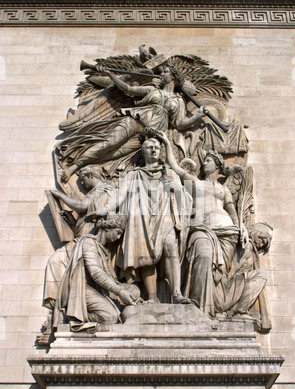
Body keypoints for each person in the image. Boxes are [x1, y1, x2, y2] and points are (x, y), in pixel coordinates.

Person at [90, 129, 192, 304]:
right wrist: (104, 209)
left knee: (171, 249)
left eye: (157, 148)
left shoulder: (168, 172)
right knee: (145, 255)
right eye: (149, 147)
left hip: (164, 215)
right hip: (141, 218)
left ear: (161, 151)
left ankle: (177, 293)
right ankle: (152, 297)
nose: (153, 150)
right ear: (143, 151)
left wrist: (174, 186)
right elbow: (120, 196)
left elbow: (184, 194)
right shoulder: (132, 174)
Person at [57, 65, 205, 182]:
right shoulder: (152, 89)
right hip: (135, 120)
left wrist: (197, 116)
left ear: (173, 76)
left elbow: (179, 124)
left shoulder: (178, 101)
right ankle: (74, 166)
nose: (161, 74)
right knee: (109, 143)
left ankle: (89, 167)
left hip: (150, 135)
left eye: (165, 72)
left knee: (117, 153)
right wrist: (111, 75)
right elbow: (128, 89)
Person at [155, 130, 245, 316]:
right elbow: (174, 166)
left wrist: (241, 227)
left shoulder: (224, 189)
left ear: (218, 166)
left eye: (209, 161)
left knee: (217, 276)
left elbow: (232, 211)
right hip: (202, 228)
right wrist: (165, 142)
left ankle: (212, 309)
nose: (205, 163)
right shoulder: (195, 182)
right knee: (203, 257)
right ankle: (198, 305)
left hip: (227, 230)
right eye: (205, 161)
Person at [43, 165, 116, 311]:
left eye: (82, 180)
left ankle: (58, 304)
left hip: (88, 242)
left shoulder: (103, 189)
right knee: (58, 262)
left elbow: (83, 206)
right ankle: (60, 305)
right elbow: (87, 216)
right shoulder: (96, 191)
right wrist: (72, 221)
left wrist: (60, 195)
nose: (81, 184)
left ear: (90, 176)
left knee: (56, 260)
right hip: (84, 239)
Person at [53, 215, 140, 332]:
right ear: (107, 228)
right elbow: (96, 273)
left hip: (98, 289)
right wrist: (120, 292)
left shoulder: (103, 249)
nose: (118, 237)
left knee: (134, 290)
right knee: (110, 317)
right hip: (82, 289)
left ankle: (113, 306)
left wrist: (124, 290)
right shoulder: (89, 243)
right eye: (118, 232)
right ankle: (70, 316)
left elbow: (111, 279)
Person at [223, 222, 273, 331]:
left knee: (261, 274)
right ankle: (240, 311)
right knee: (261, 274)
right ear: (255, 234)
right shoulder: (247, 246)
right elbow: (231, 271)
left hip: (233, 288)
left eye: (264, 244)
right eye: (261, 240)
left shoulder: (250, 248)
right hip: (227, 291)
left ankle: (240, 310)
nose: (261, 245)